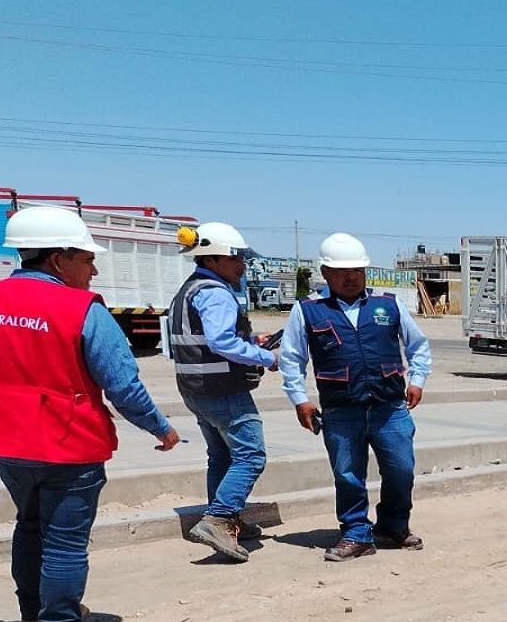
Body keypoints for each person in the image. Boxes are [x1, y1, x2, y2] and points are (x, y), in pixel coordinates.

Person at [0, 206, 180, 622]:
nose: (93, 269)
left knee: (29, 525)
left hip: (5, 443)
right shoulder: (80, 310)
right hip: (68, 443)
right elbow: (123, 384)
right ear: (58, 259)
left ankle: (33, 618)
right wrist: (161, 427)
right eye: (86, 259)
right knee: (64, 543)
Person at [279, 233, 431, 561]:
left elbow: (418, 345)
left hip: (389, 408)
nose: (350, 277)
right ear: (325, 273)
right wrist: (299, 398)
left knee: (401, 469)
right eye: (341, 271)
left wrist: (417, 380)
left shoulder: (388, 305)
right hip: (340, 409)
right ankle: (356, 533)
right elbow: (291, 358)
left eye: (357, 270)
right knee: (348, 474)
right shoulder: (308, 311)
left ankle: (393, 525)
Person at [167, 221, 279, 563]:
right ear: (211, 260)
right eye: (234, 258)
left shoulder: (189, 290)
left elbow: (207, 340)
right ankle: (218, 519)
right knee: (251, 455)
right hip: (222, 390)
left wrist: (250, 342)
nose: (241, 264)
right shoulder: (215, 293)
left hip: (196, 389)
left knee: (222, 456)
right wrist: (266, 357)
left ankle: (227, 520)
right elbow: (219, 341)